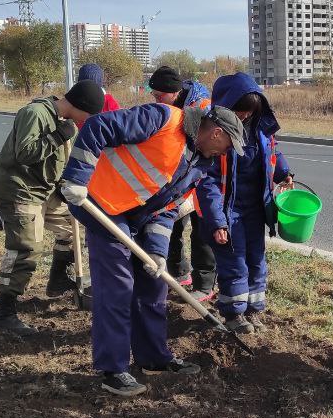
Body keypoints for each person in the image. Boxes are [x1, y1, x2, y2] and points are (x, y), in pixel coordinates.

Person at [59, 99, 244, 398]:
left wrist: (157, 252)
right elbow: (98, 126)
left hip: (136, 216)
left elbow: (167, 210)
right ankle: (113, 370)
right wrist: (77, 177)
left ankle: (154, 358)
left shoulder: (199, 164)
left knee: (154, 284)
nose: (225, 154)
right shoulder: (163, 118)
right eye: (227, 146)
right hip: (100, 201)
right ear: (217, 133)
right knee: (118, 285)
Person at [0, 80, 105, 335]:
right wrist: (57, 136)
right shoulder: (35, 113)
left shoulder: (67, 124)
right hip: (20, 191)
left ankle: (57, 281)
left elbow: (58, 162)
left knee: (72, 228)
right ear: (81, 106)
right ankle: (5, 315)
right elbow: (25, 153)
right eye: (90, 114)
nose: (90, 120)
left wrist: (65, 186)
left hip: (44, 190)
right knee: (26, 248)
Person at [198, 73, 293, 334]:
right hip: (228, 213)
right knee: (234, 263)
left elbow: (274, 153)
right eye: (239, 112)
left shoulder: (261, 129)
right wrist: (217, 221)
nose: (243, 117)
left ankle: (254, 310)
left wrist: (284, 172)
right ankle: (233, 314)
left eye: (248, 112)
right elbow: (208, 183)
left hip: (255, 209)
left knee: (256, 261)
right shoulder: (215, 135)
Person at [163, 80, 217, 301]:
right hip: (182, 180)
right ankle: (179, 272)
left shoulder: (203, 106)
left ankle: (204, 283)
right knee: (173, 227)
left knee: (202, 232)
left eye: (159, 95)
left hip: (203, 180)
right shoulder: (176, 109)